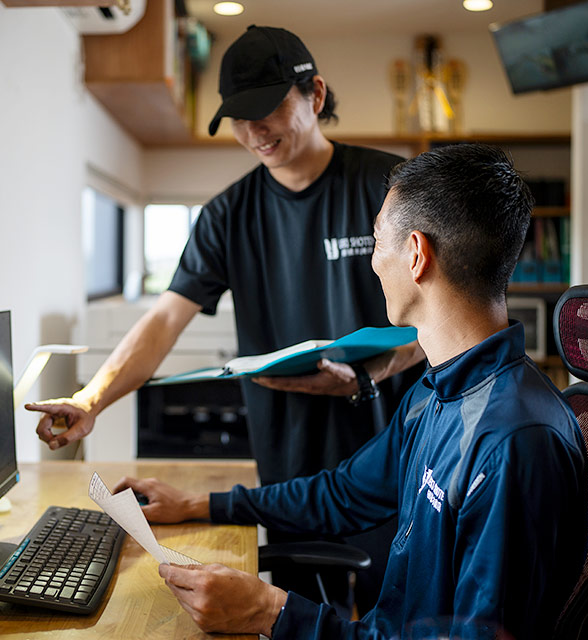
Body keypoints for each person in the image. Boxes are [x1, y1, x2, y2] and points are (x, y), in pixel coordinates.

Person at [113, 143, 588, 639]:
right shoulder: (435, 393)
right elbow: (341, 494)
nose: (371, 261)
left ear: (415, 255)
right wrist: (200, 504)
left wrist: (274, 614)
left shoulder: (514, 443)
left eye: (378, 240)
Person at [29, 25, 425, 609]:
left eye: (266, 111)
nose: (252, 132)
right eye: (237, 119)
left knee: (401, 613)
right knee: (302, 612)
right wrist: (91, 400)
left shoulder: (390, 187)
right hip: (289, 454)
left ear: (314, 94)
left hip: (398, 444)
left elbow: (445, 312)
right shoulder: (227, 216)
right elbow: (165, 320)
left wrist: (373, 373)